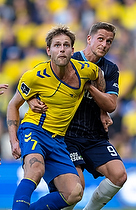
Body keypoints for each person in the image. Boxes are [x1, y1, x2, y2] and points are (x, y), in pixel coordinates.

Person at [28, 22, 127, 210]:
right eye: (100, 39)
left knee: (119, 175)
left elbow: (111, 104)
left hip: (95, 136)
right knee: (75, 189)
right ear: (89, 39)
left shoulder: (110, 69)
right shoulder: (69, 58)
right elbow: (35, 78)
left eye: (109, 41)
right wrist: (31, 99)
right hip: (66, 135)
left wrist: (89, 85)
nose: (104, 44)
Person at [7, 25, 105, 210]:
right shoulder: (35, 76)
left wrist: (102, 110)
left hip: (58, 140)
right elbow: (13, 105)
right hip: (34, 130)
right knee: (35, 170)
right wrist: (14, 140)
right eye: (57, 45)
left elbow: (98, 75)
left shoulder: (85, 70)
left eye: (66, 45)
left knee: (74, 193)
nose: (62, 49)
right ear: (48, 50)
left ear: (72, 50)